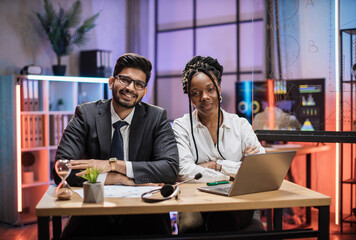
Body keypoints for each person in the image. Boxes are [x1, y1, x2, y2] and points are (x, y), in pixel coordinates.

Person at [54, 53, 179, 237]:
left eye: (139, 84)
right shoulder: (86, 114)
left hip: (143, 210)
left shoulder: (156, 118)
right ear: (112, 82)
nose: (130, 88)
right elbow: (62, 169)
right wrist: (119, 178)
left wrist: (112, 165)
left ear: (144, 91)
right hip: (95, 208)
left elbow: (169, 170)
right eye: (125, 80)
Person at [172, 55, 265, 233]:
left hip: (236, 200)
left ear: (219, 89)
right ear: (190, 97)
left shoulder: (240, 125)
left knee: (222, 217)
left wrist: (216, 165)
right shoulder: (181, 126)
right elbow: (185, 172)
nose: (204, 97)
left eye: (210, 89)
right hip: (195, 200)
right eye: (196, 93)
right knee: (194, 226)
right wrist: (236, 172)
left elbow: (259, 168)